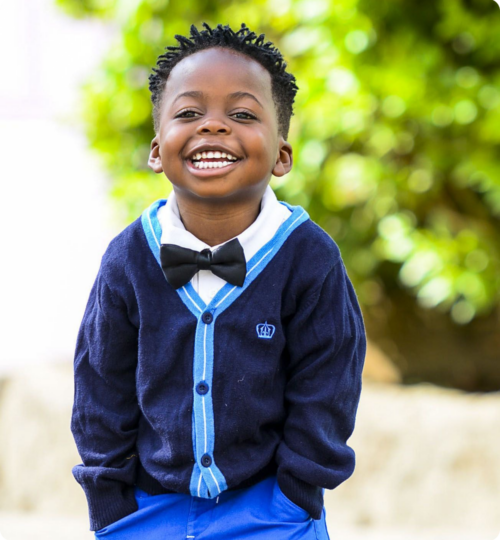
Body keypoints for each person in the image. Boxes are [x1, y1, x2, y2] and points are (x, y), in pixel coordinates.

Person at [71, 21, 367, 540]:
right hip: (145, 511)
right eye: (189, 113)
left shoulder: (309, 257)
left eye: (242, 114)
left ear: (281, 154)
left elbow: (328, 385)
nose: (213, 126)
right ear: (157, 150)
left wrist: (296, 497)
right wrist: (111, 504)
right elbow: (100, 388)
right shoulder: (128, 258)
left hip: (272, 512)